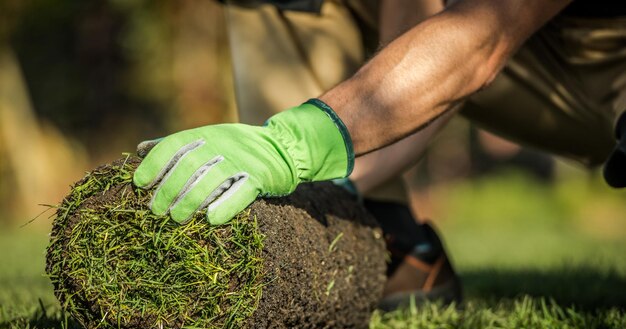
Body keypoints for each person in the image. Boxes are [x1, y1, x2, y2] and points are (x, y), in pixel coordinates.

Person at [133, 0, 626, 309]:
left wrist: (292, 143)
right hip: (526, 62)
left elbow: (486, 33)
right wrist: (337, 181)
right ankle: (368, 235)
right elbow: (414, 34)